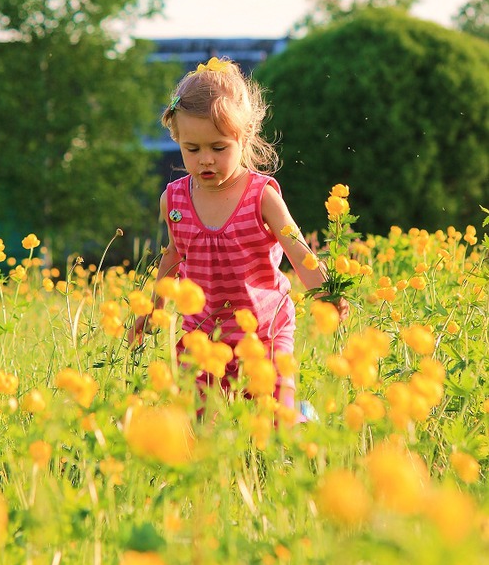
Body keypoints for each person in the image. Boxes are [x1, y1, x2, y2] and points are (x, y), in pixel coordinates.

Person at [134, 56, 348, 416]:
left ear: (243, 137)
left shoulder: (261, 196)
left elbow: (297, 250)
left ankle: (298, 419)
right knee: (199, 429)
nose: (205, 160)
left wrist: (326, 292)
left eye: (219, 148)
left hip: (263, 330)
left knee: (276, 419)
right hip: (201, 334)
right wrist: (151, 308)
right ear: (177, 139)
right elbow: (173, 255)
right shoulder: (173, 200)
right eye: (192, 149)